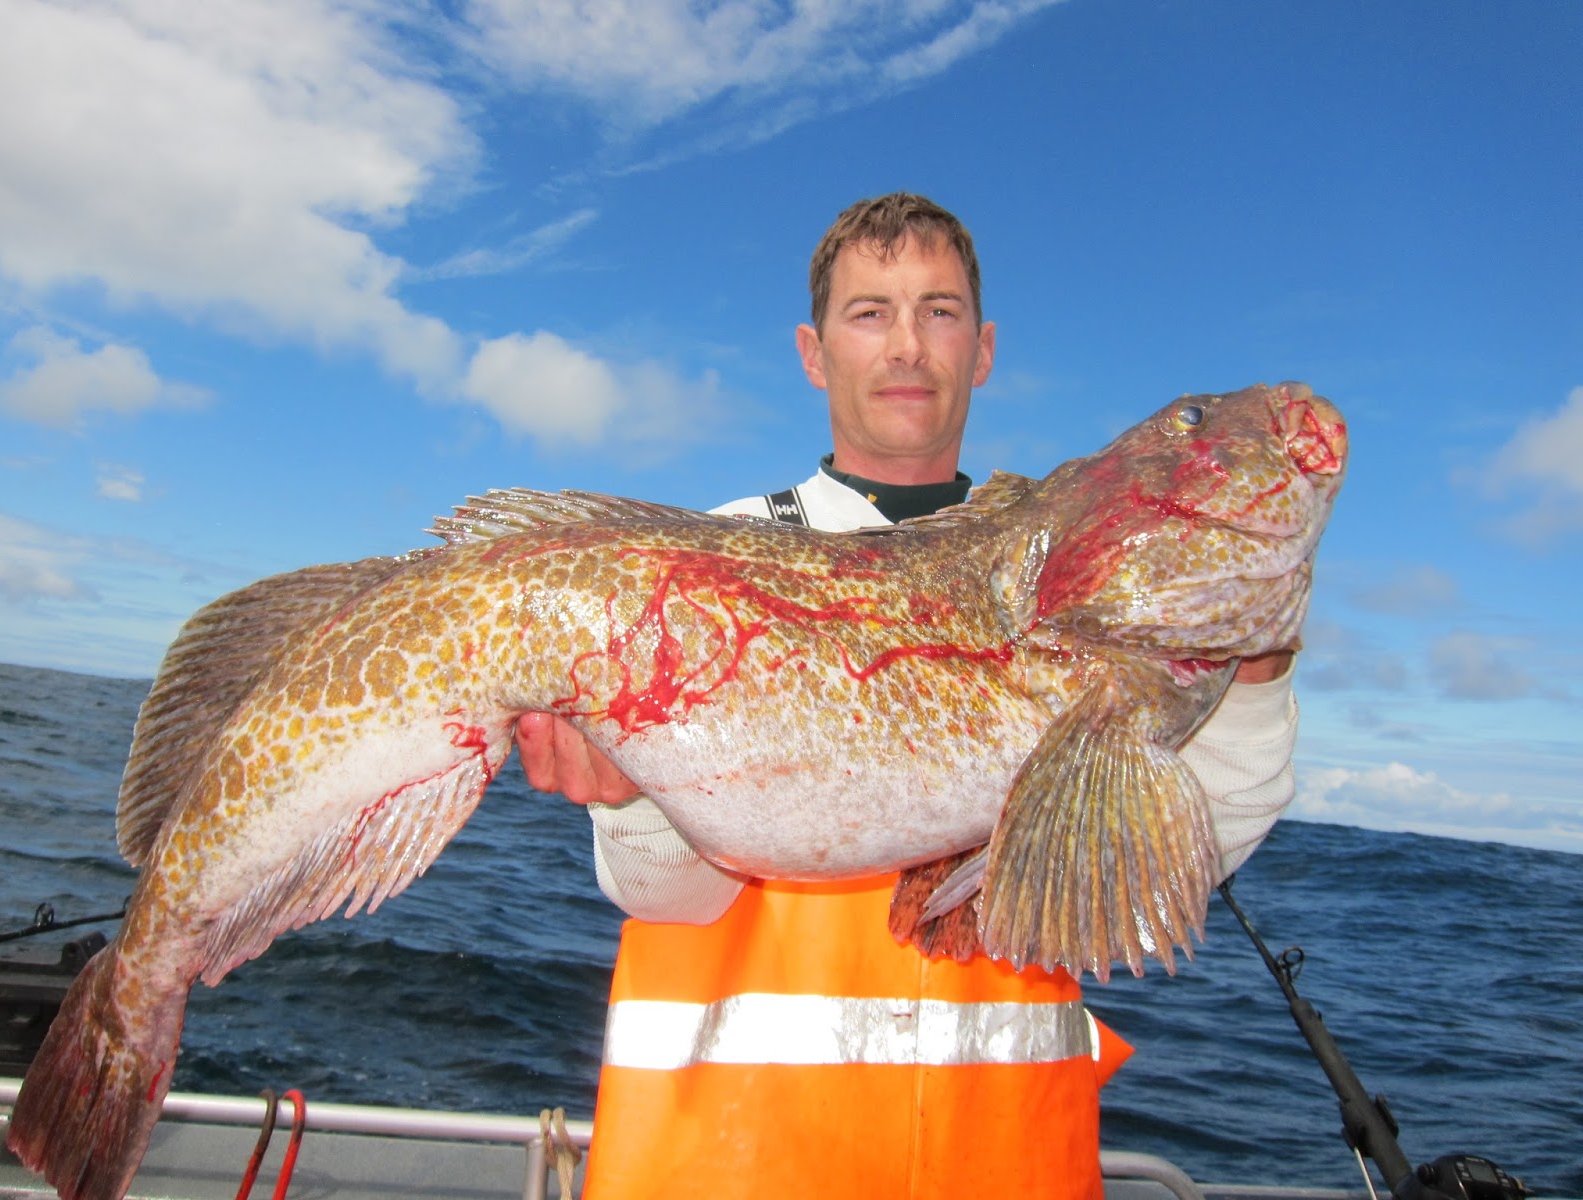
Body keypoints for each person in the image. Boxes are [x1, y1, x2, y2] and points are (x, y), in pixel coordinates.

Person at [514, 193, 1299, 1198]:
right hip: (730, 1168)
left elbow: (1159, 881)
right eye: (869, 312)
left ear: (981, 349)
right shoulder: (707, 556)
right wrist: (625, 796)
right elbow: (665, 897)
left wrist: (1253, 682)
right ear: (813, 351)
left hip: (1008, 1168)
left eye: (938, 311)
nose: (906, 347)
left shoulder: (1088, 569)